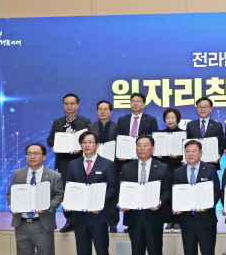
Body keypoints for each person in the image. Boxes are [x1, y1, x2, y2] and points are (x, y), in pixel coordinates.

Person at [7, 143, 64, 255]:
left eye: (36, 153)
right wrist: (12, 204)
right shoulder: (18, 173)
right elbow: (10, 193)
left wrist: (49, 206)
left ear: (44, 156)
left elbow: (59, 196)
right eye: (29, 153)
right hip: (22, 223)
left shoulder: (53, 175)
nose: (32, 156)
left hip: (42, 224)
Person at [65, 131, 116, 255]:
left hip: (98, 216)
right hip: (79, 217)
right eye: (84, 142)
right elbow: (70, 187)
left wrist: (99, 203)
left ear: (97, 145)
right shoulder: (73, 164)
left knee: (102, 253)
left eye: (90, 142)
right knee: (83, 254)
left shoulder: (107, 164)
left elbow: (112, 188)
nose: (87, 145)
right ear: (80, 145)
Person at [119, 135, 171, 255]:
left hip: (153, 215)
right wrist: (122, 203)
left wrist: (161, 201)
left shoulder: (162, 167)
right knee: (137, 253)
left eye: (145, 145)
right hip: (134, 216)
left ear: (153, 148)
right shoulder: (127, 168)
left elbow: (167, 190)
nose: (142, 148)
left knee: (155, 252)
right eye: (139, 145)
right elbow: (124, 190)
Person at [172, 140, 220, 255]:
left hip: (206, 219)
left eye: (194, 151)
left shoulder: (211, 169)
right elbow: (176, 194)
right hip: (187, 220)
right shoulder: (178, 172)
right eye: (187, 151)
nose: (190, 154)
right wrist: (176, 207)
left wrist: (208, 205)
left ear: (200, 153)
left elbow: (216, 192)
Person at [46, 93, 91, 233]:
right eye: (66, 103)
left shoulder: (85, 121)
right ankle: (69, 220)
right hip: (64, 162)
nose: (69, 106)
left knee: (81, 189)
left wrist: (81, 148)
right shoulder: (58, 122)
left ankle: (83, 219)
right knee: (66, 192)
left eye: (72, 103)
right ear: (63, 105)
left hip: (80, 161)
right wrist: (55, 145)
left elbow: (90, 139)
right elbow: (50, 139)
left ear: (78, 105)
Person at [114, 92, 159, 232]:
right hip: (128, 164)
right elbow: (119, 139)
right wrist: (119, 153)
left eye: (139, 101)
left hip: (145, 160)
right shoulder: (122, 120)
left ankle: (147, 220)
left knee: (145, 189)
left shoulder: (151, 119)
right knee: (130, 191)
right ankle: (130, 223)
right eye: (133, 101)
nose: (135, 103)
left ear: (144, 104)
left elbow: (153, 140)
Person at [87, 100, 117, 232]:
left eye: (105, 109)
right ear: (96, 111)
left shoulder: (117, 126)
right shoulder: (91, 126)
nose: (103, 111)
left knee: (112, 191)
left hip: (112, 163)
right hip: (95, 163)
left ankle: (113, 222)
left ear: (111, 112)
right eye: (100, 109)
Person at [156, 107, 185, 233]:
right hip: (164, 167)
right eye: (167, 118)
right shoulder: (159, 134)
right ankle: (168, 221)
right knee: (166, 193)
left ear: (177, 119)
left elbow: (188, 152)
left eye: (172, 117)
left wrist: (181, 155)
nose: (170, 120)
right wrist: (157, 154)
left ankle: (178, 221)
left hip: (178, 167)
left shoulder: (184, 134)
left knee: (178, 193)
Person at [186, 97, 225, 171]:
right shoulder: (190, 125)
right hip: (194, 163)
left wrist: (217, 155)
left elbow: (221, 144)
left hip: (212, 163)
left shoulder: (217, 125)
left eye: (205, 107)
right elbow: (187, 143)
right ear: (197, 109)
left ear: (211, 109)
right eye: (200, 107)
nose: (202, 109)